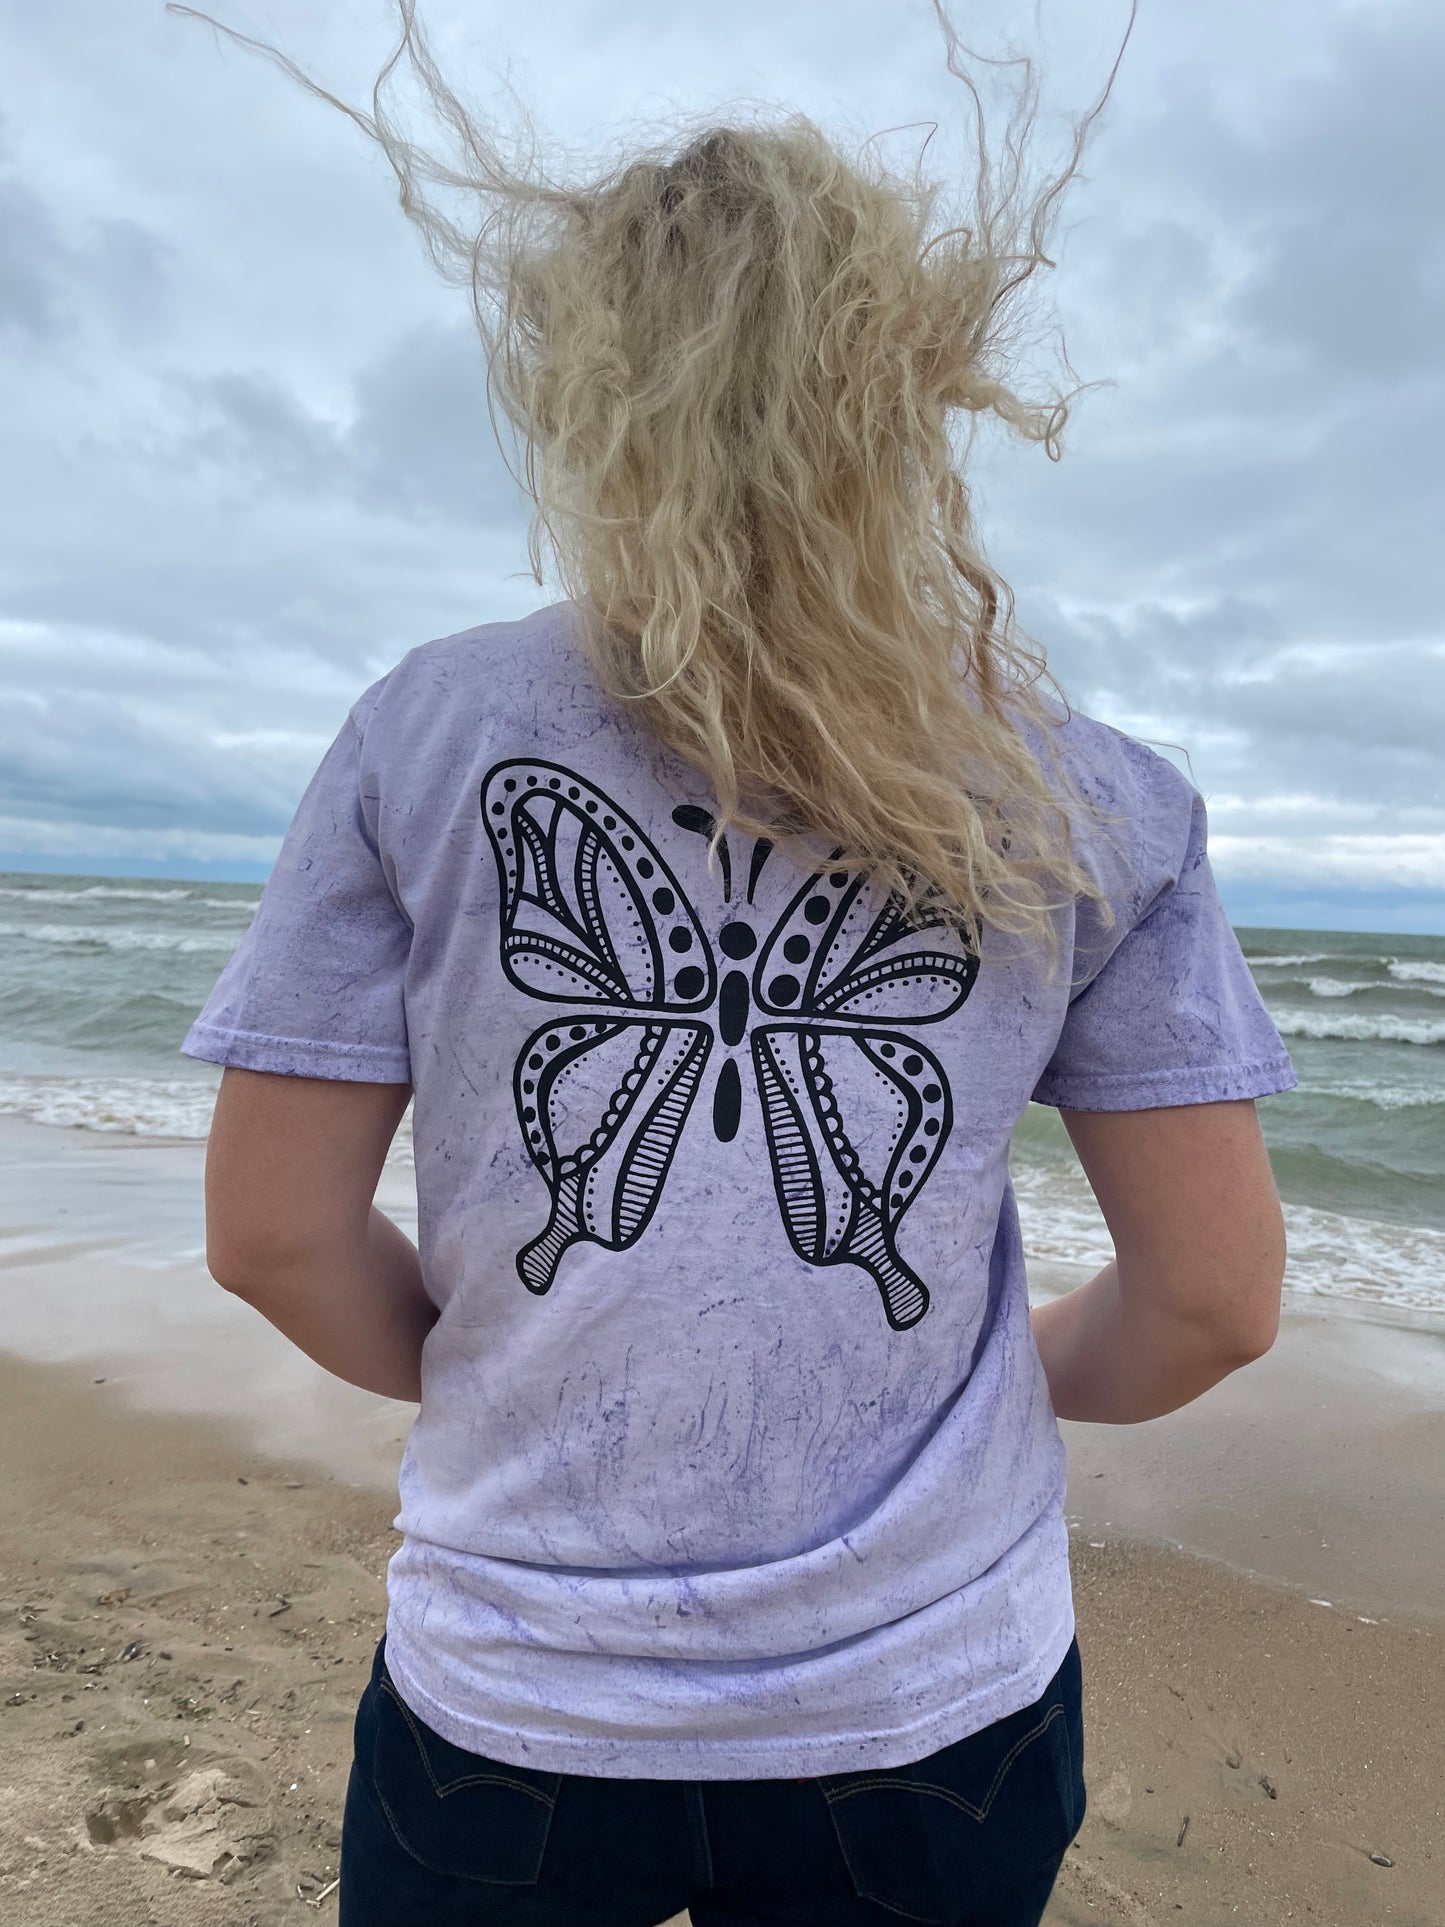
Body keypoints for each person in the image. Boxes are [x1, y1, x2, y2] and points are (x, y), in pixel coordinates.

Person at [177, 4, 1295, 1922]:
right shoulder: (1095, 797)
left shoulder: (426, 732)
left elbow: (271, 1236)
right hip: (933, 1714)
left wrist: (494, 1382)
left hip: (512, 1711)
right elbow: (1209, 1306)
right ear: (915, 380)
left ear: (593, 390)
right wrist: (993, 1380)